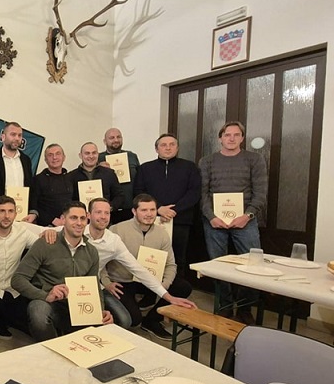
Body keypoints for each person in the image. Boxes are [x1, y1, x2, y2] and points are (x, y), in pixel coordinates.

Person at [84, 197, 193, 330]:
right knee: (131, 319)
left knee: (182, 286)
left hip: (145, 279)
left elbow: (142, 269)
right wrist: (106, 282)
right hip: (120, 281)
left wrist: (167, 294)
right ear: (134, 211)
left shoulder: (114, 240)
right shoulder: (116, 229)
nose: (149, 214)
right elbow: (62, 230)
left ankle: (151, 320)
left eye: (152, 209)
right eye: (144, 210)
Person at [11, 201, 113, 341]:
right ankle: (52, 349)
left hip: (76, 304)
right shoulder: (46, 243)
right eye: (73, 218)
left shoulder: (91, 252)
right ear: (63, 220)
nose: (79, 223)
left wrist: (99, 310)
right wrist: (45, 295)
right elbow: (17, 280)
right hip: (48, 301)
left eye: (82, 218)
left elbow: (94, 286)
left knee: (108, 324)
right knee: (38, 312)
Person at [0, 196, 57, 357]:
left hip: (13, 288)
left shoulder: (22, 231)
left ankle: (2, 320)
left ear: (16, 213)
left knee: (32, 323)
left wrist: (49, 231)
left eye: (10, 211)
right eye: (2, 211)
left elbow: (40, 243)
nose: (6, 216)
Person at [199, 121, 268, 324]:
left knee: (252, 265)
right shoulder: (207, 161)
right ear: (220, 138)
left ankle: (245, 309)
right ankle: (225, 306)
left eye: (236, 135)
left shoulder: (254, 159)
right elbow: (202, 193)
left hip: (245, 221)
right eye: (227, 135)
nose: (231, 138)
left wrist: (247, 215)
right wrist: (211, 216)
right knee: (219, 265)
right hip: (214, 221)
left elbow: (260, 192)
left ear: (242, 138)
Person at [134, 133, 201, 274]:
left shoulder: (190, 167)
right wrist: (158, 209)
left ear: (177, 148)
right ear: (156, 149)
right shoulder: (145, 168)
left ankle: (175, 292)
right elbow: (139, 192)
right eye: (163, 145)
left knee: (177, 259)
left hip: (180, 220)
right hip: (152, 220)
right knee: (151, 258)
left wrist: (173, 210)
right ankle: (150, 293)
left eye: (172, 145)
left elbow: (194, 193)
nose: (168, 148)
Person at [0, 122, 34, 227]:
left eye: (20, 135)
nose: (17, 138)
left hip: (20, 219)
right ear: (3, 136)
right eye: (13, 134)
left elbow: (29, 187)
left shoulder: (26, 160)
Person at [99, 128, 140, 224]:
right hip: (108, 209)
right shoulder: (98, 158)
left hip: (130, 207)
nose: (116, 140)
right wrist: (99, 169)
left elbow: (140, 179)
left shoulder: (132, 156)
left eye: (118, 137)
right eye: (112, 138)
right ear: (105, 141)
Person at [69, 142, 123, 212]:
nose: (91, 156)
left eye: (94, 153)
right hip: (81, 219)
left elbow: (119, 196)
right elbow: (69, 199)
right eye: (87, 153)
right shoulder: (71, 176)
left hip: (105, 218)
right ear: (80, 155)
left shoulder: (109, 173)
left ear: (98, 154)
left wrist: (109, 207)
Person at [30, 143, 74, 226]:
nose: (54, 157)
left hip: (69, 224)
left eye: (58, 154)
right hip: (47, 226)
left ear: (64, 157)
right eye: (50, 155)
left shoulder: (70, 178)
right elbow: (34, 205)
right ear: (45, 160)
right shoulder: (38, 180)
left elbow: (75, 201)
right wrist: (52, 220)